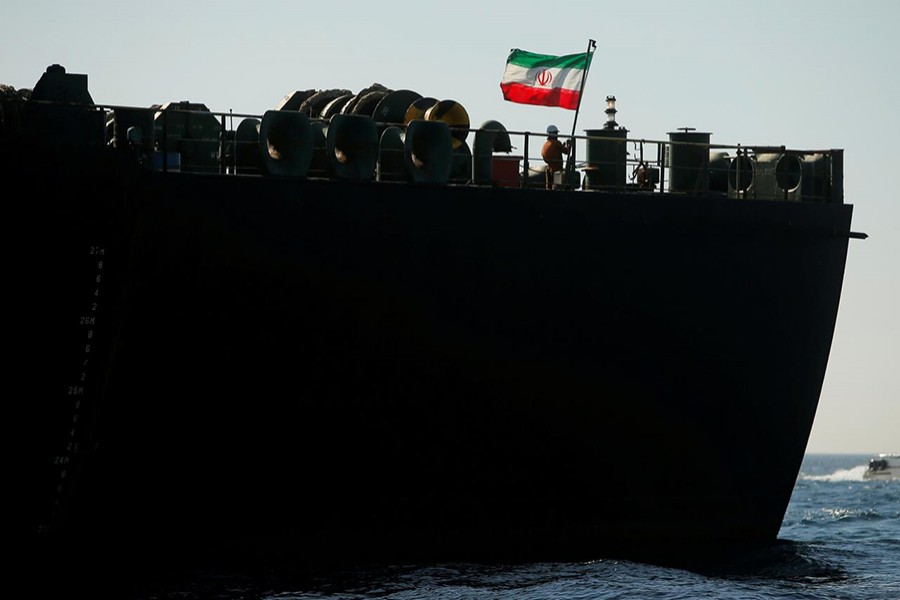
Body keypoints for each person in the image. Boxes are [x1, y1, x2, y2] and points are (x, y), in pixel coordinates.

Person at [541, 124, 570, 189]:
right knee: (557, 185)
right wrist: (569, 145)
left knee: (549, 185)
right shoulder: (557, 143)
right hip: (556, 168)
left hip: (549, 168)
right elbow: (566, 151)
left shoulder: (546, 144)